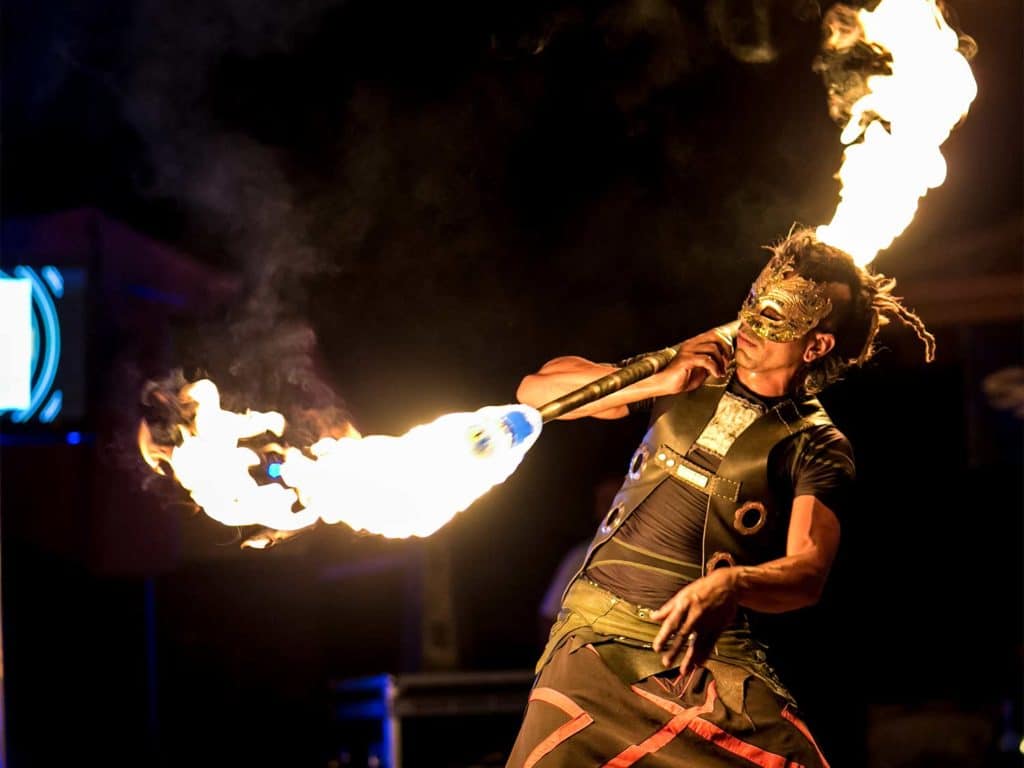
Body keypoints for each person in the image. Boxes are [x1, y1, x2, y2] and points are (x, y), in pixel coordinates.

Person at [506, 228, 935, 767]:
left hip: (704, 656)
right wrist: (656, 378)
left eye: (776, 314)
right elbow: (535, 392)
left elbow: (808, 571)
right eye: (753, 300)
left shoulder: (816, 442)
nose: (753, 322)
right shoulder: (690, 371)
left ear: (817, 344)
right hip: (596, 638)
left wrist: (733, 583)